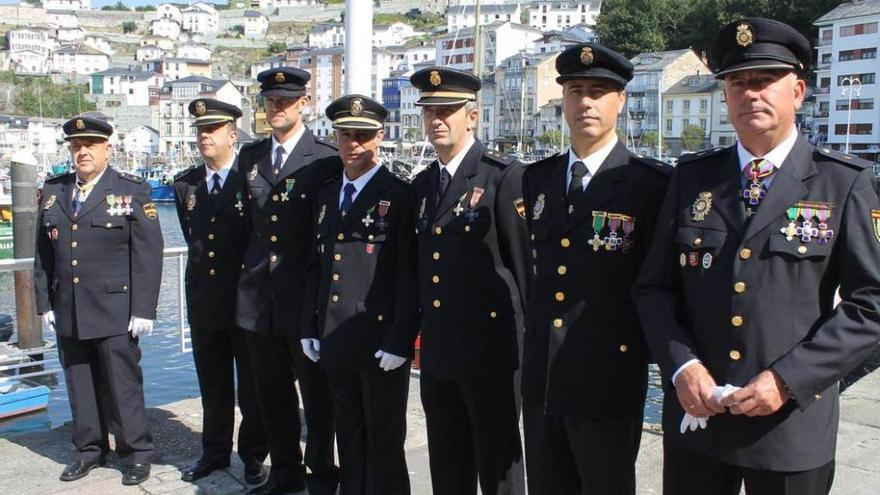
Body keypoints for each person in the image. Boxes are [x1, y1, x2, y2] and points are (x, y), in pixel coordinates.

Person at [632, 18, 880, 495]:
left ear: (798, 91)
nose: (751, 94)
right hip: (698, 420)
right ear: (725, 96)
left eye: (765, 80)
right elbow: (653, 289)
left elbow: (871, 304)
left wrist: (788, 380)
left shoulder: (842, 183)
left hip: (789, 428)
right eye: (738, 83)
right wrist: (682, 368)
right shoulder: (692, 180)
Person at [520, 43, 671, 494]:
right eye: (576, 90)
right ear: (563, 99)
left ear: (621, 101)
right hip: (543, 374)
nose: (586, 101)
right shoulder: (539, 178)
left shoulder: (649, 184)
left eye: (600, 91)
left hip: (608, 377)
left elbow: (657, 283)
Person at [408, 66, 530, 495]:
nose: (437, 119)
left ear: (472, 117)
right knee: (447, 460)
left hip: (490, 353)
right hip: (439, 350)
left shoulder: (501, 176)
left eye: (448, 110)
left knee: (497, 464)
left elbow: (523, 269)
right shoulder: (423, 186)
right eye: (430, 111)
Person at [33, 114, 162, 486]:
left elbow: (148, 253)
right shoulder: (55, 190)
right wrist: (45, 304)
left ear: (108, 147)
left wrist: (143, 308)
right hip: (69, 306)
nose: (82, 151)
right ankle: (89, 450)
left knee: (122, 385)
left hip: (114, 308)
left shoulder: (130, 189)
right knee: (79, 383)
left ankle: (135, 452)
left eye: (90, 144)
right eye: (76, 146)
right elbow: (42, 253)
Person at [300, 94, 418, 495]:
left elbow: (408, 273)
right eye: (346, 135)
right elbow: (315, 266)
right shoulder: (326, 196)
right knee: (348, 433)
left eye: (363, 136)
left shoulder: (399, 196)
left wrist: (401, 338)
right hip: (335, 336)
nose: (353, 144)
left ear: (379, 138)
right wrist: (309, 326)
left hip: (378, 338)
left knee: (384, 437)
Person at [236, 67, 340, 495]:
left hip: (304, 298)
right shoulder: (250, 158)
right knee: (271, 396)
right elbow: (247, 226)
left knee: (317, 401)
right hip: (260, 299)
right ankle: (284, 474)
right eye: (270, 100)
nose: (276, 107)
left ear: (304, 104)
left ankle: (321, 476)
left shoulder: (326, 158)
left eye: (285, 100)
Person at [173, 99, 268, 486]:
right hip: (205, 303)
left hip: (245, 303)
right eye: (200, 130)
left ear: (233, 134)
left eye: (212, 130)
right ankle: (213, 452)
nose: (204, 136)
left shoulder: (252, 180)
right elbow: (193, 240)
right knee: (212, 386)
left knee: (252, 388)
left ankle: (252, 455)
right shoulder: (187, 184)